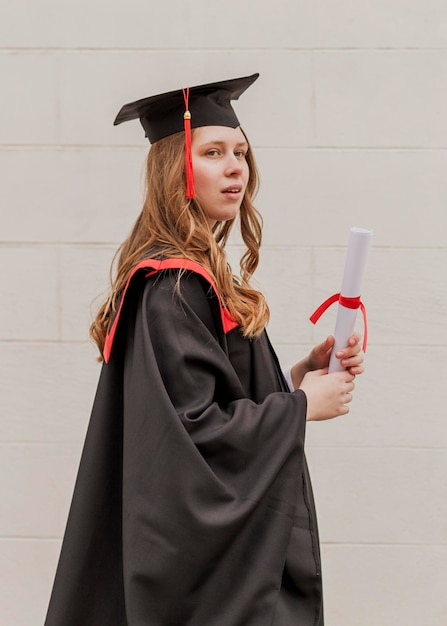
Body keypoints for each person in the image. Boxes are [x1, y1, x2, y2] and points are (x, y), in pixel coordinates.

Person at [44, 73, 364, 626]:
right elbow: (190, 434)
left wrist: (294, 378)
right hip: (198, 582)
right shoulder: (173, 284)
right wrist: (301, 407)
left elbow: (207, 399)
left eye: (240, 152)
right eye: (213, 152)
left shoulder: (190, 278)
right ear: (176, 169)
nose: (236, 166)